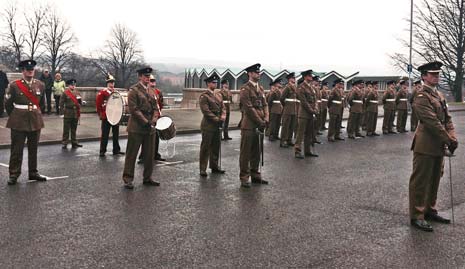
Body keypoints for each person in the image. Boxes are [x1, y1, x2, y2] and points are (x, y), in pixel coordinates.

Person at [409, 61, 458, 232]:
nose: (436, 76)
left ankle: (429, 209)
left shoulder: (439, 95)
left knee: (435, 178)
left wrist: (452, 137)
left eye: (437, 74)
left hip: (439, 144)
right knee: (421, 180)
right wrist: (448, 139)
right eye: (432, 74)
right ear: (423, 76)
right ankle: (417, 215)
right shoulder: (421, 96)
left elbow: (447, 119)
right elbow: (432, 122)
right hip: (426, 144)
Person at [4, 59, 46, 185]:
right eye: (27, 70)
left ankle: (33, 172)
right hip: (18, 121)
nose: (30, 72)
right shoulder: (14, 85)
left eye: (32, 70)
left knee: (33, 149)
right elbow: (8, 104)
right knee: (17, 149)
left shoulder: (40, 85)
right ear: (23, 71)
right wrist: (16, 115)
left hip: (35, 120)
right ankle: (14, 174)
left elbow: (41, 105)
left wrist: (36, 114)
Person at [122, 67, 160, 189]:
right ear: (140, 77)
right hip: (137, 127)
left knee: (149, 155)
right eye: (145, 76)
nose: (148, 78)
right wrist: (146, 122)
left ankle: (147, 178)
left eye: (149, 76)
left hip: (150, 127)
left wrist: (154, 120)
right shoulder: (134, 90)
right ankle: (128, 179)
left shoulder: (151, 91)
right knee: (131, 154)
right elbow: (134, 109)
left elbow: (156, 107)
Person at [239, 63, 269, 188]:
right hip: (249, 124)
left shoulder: (260, 89)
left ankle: (255, 175)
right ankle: (244, 177)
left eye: (259, 72)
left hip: (260, 123)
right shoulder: (245, 89)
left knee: (257, 151)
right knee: (246, 153)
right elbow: (249, 108)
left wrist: (267, 117)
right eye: (256, 72)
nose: (259, 74)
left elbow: (265, 104)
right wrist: (260, 122)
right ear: (250, 74)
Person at [199, 74, 226, 177]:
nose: (215, 84)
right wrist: (217, 120)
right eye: (213, 82)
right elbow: (206, 111)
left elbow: (223, 107)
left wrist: (223, 116)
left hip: (217, 124)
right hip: (208, 125)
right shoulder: (204, 96)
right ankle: (202, 168)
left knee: (216, 146)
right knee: (205, 147)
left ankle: (214, 167)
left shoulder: (218, 95)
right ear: (208, 84)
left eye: (216, 82)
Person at [137, 74, 165, 163]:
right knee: (145, 138)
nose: (152, 83)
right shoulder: (145, 91)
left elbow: (160, 104)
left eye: (153, 81)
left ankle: (155, 154)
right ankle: (143, 156)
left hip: (156, 117)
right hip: (147, 118)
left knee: (156, 137)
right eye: (151, 81)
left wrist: (157, 115)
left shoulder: (158, 92)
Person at [96, 74, 124, 156]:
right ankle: (102, 150)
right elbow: (98, 105)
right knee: (105, 134)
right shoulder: (102, 93)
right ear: (107, 84)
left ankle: (116, 150)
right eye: (110, 83)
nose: (111, 84)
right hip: (106, 116)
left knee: (116, 134)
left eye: (113, 83)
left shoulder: (115, 93)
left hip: (115, 116)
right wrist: (101, 114)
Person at [294, 70, 318, 159]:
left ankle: (307, 151)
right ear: (305, 77)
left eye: (311, 75)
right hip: (304, 113)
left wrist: (315, 108)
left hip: (311, 113)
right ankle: (297, 150)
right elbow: (304, 102)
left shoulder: (311, 87)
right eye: (309, 75)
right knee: (300, 133)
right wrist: (312, 110)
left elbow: (315, 100)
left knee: (309, 133)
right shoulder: (301, 87)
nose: (311, 77)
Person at [60, 79, 83, 149]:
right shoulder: (65, 93)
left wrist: (81, 102)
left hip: (75, 113)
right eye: (72, 85)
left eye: (74, 85)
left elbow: (79, 103)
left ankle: (74, 142)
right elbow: (61, 103)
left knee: (74, 129)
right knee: (66, 129)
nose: (73, 86)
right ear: (68, 85)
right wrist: (62, 113)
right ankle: (64, 142)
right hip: (68, 112)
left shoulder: (77, 93)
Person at [280, 72, 298, 148]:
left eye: (294, 78)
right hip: (287, 110)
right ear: (289, 79)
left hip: (293, 110)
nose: (294, 80)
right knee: (285, 126)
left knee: (292, 126)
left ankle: (289, 140)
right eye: (292, 78)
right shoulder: (287, 87)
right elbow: (281, 98)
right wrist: (285, 106)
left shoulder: (295, 87)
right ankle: (283, 141)